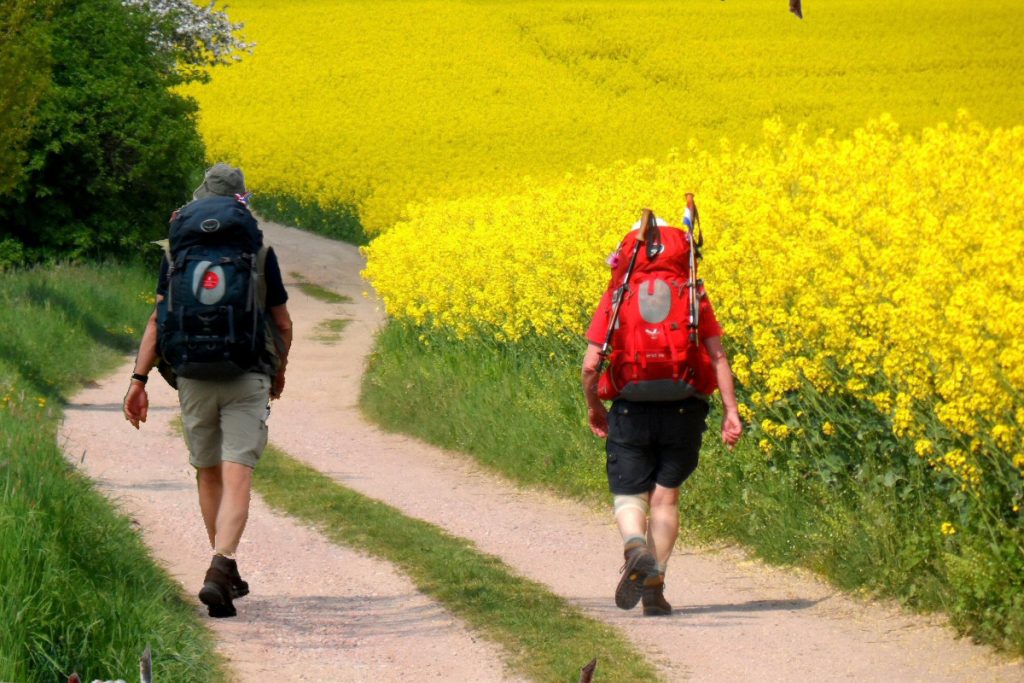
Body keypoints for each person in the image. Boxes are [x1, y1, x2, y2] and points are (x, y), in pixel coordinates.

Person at [123, 163, 293, 618]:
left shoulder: (178, 249)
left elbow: (159, 321)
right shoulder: (259, 248)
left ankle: (223, 568)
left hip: (194, 376)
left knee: (208, 472)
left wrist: (138, 381)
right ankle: (222, 565)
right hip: (246, 372)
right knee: (239, 472)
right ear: (241, 200)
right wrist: (278, 371)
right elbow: (281, 322)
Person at [580, 213, 743, 617]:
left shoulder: (620, 292)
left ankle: (635, 547)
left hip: (631, 407)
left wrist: (594, 405)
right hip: (684, 407)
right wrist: (731, 412)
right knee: (665, 499)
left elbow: (590, 364)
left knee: (628, 493)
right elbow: (717, 355)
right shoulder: (691, 291)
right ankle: (654, 588)